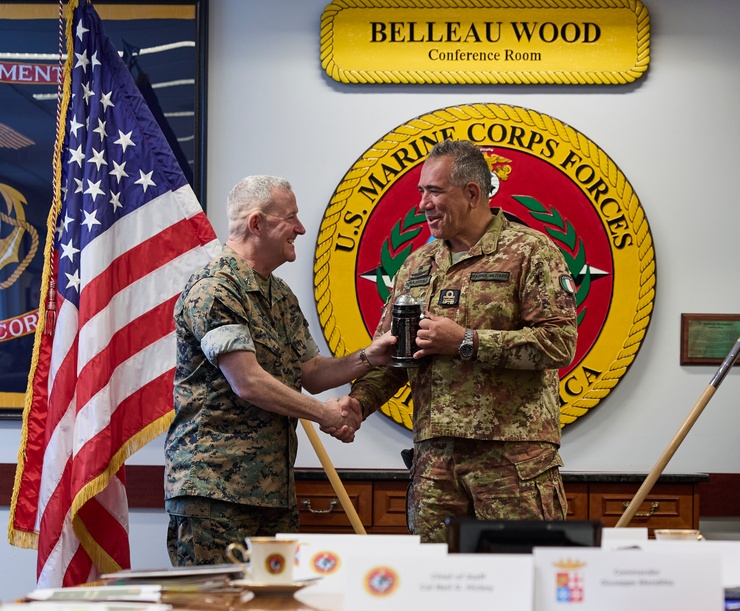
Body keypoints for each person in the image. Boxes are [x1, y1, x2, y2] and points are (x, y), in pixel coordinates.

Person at [347, 140, 579, 542]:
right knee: (437, 587)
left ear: (473, 193)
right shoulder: (416, 265)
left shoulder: (531, 251)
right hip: (436, 464)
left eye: (434, 191)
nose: (423, 204)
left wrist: (467, 342)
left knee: (518, 581)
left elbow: (559, 342)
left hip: (513, 462)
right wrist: (356, 404)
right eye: (421, 192)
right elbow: (395, 356)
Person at [164, 175, 394, 566]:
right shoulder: (215, 289)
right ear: (257, 224)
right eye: (291, 218)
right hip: (215, 494)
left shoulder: (278, 294)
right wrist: (324, 413)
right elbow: (248, 382)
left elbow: (312, 371)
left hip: (271, 493)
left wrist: (369, 357)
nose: (300, 229)